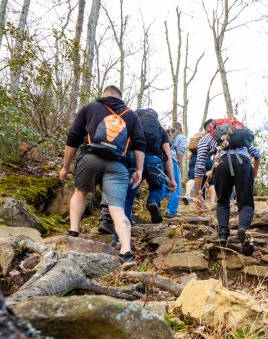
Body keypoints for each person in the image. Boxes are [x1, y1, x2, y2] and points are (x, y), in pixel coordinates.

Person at [59, 85, 145, 263]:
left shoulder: (89, 108)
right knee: (117, 208)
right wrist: (139, 169)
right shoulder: (131, 115)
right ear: (120, 98)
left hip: (90, 158)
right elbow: (139, 144)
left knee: (80, 192)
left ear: (103, 96)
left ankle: (74, 232)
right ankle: (126, 252)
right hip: (118, 165)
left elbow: (73, 138)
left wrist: (65, 167)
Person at [194, 118, 261, 256]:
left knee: (223, 201)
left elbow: (199, 166)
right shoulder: (237, 135)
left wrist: (197, 193)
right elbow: (257, 154)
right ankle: (242, 229)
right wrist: (254, 172)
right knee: (246, 202)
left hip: (221, 163)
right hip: (243, 162)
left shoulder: (207, 138)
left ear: (209, 129)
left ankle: (223, 233)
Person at [183, 120, 216, 205]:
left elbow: (188, 155)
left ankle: (187, 194)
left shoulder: (197, 137)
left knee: (193, 179)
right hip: (208, 160)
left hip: (194, 159)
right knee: (211, 182)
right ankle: (212, 202)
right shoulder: (212, 137)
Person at [165, 122, 187, 218]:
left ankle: (154, 203)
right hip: (173, 160)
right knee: (176, 186)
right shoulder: (182, 137)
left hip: (162, 159)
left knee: (164, 185)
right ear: (180, 129)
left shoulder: (165, 134)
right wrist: (179, 164)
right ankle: (172, 211)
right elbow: (180, 152)